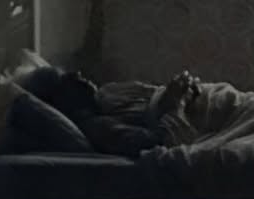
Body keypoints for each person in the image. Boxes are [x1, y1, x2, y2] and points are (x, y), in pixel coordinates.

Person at [17, 67, 203, 158]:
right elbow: (160, 142)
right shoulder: (97, 126)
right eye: (68, 79)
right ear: (61, 99)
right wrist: (177, 102)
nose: (78, 74)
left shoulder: (106, 98)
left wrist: (176, 89)